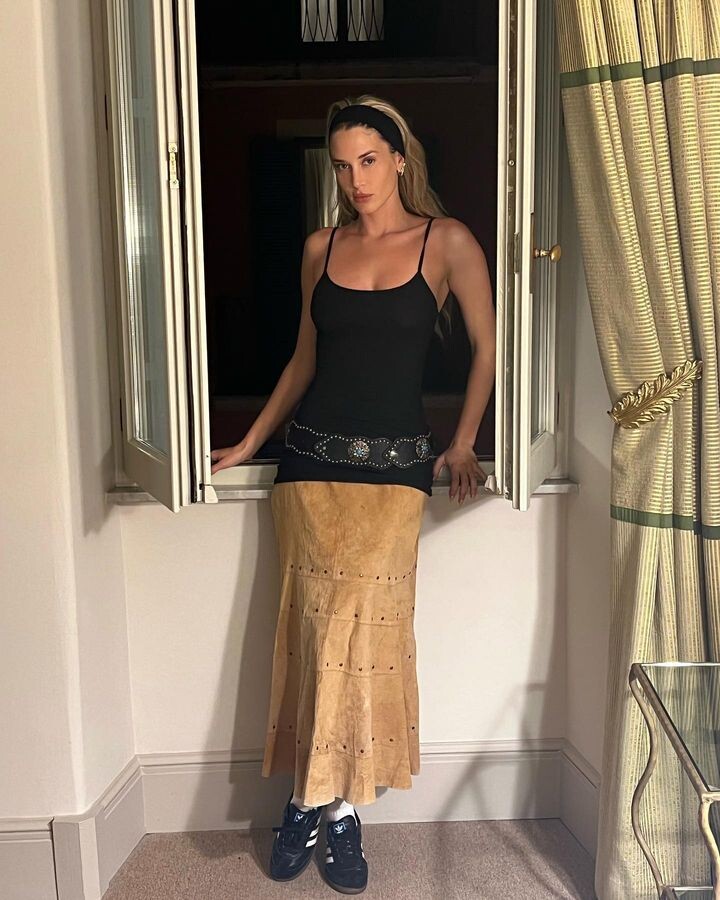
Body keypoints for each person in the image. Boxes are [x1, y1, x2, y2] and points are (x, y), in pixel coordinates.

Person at [210, 95, 495, 895]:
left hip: (395, 476)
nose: (355, 179)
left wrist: (464, 440)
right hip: (310, 468)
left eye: (368, 160)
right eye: (342, 165)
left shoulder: (446, 241)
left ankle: (313, 803)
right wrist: (253, 442)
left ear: (399, 158)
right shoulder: (320, 247)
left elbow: (487, 349)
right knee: (314, 634)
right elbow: (304, 360)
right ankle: (331, 811)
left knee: (365, 639)